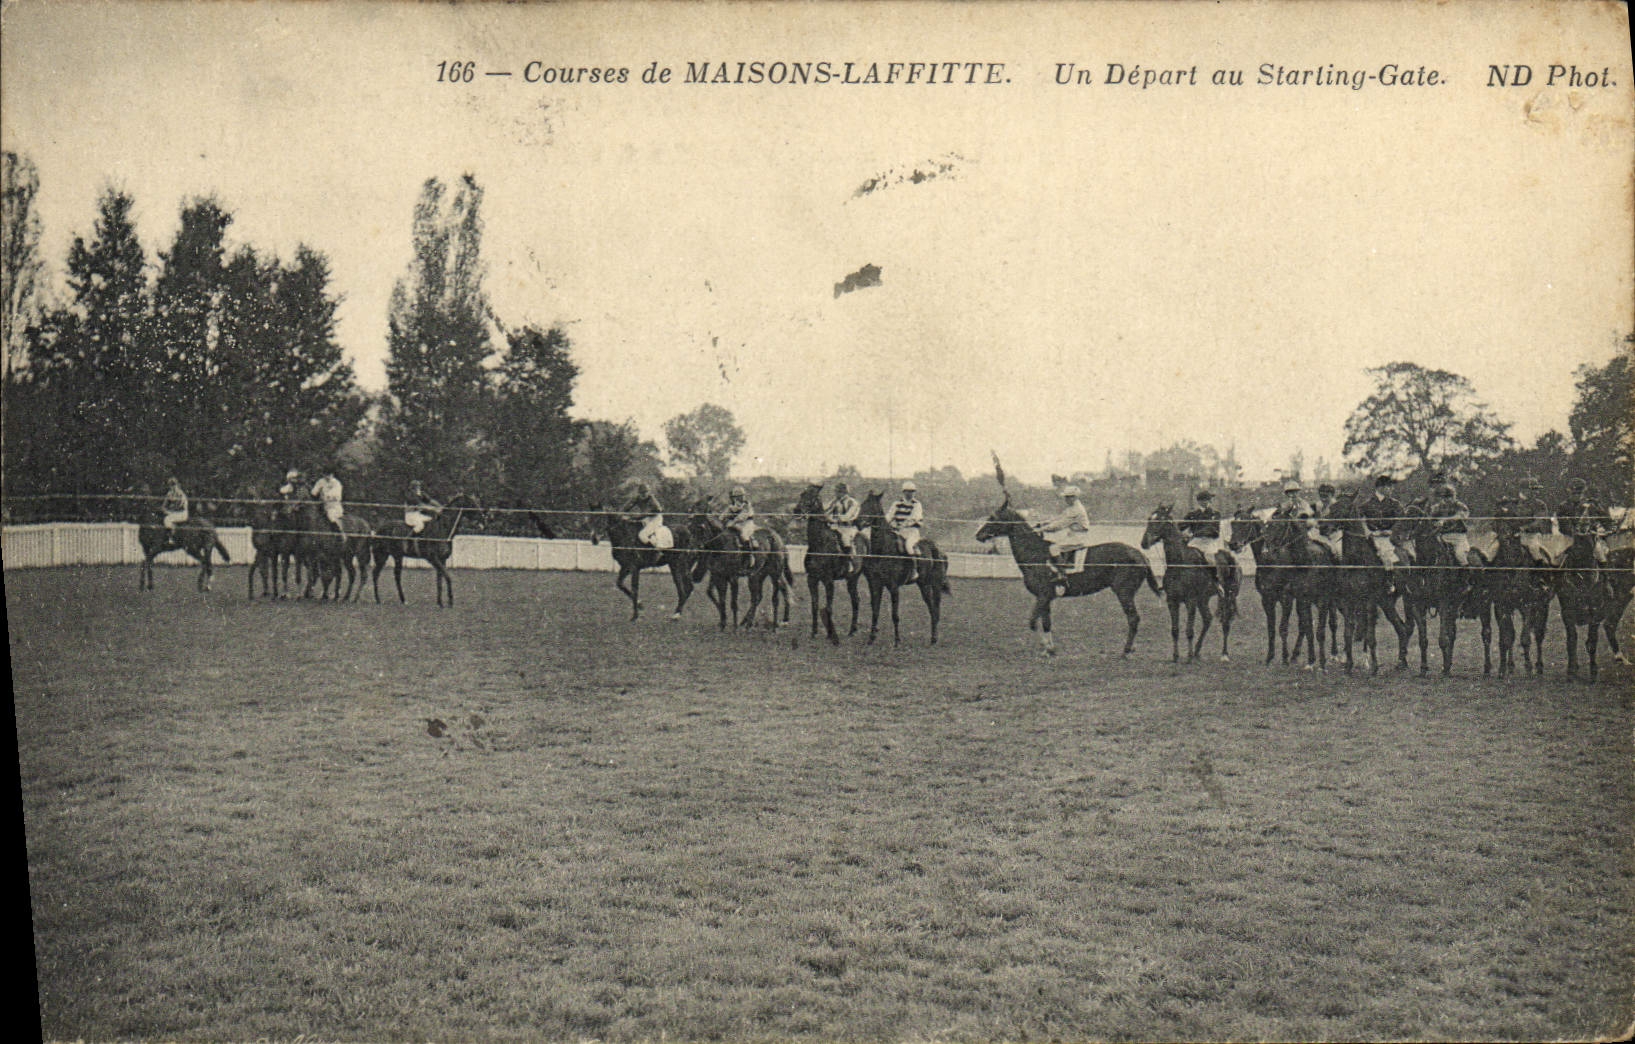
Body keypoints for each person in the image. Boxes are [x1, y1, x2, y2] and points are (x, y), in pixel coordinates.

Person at [1034, 484, 1092, 581]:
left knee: (1053, 548)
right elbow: (1059, 518)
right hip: (1073, 535)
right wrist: (1044, 523)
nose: (1065, 499)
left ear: (1073, 497)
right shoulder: (1072, 508)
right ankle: (1065, 564)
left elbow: (1059, 525)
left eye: (1067, 497)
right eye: (1066, 497)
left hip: (1078, 537)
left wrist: (1041, 529)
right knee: (1057, 544)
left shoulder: (1076, 509)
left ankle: (1062, 575)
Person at [1179, 489, 1234, 588]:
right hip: (1195, 542)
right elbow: (1181, 525)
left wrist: (1194, 534)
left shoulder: (1215, 514)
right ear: (1199, 501)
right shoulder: (1193, 514)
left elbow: (1213, 530)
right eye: (1204, 500)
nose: (1206, 502)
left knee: (1209, 557)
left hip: (1209, 541)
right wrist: (1180, 532)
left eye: (1208, 500)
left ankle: (1216, 581)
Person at [1556, 476, 1611, 568]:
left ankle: (1606, 577)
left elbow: (1605, 519)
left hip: (1590, 536)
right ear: (1569, 492)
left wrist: (1608, 529)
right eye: (1573, 493)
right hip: (1569, 537)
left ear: (1584, 492)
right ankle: (1555, 577)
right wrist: (1571, 531)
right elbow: (1562, 524)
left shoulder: (1592, 504)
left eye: (1579, 493)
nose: (1576, 495)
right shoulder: (1563, 506)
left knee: (1600, 555)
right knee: (1557, 559)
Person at [1356, 474, 1404, 569]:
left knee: (1388, 557)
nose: (1392, 489)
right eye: (1389, 486)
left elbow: (1401, 520)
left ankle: (1389, 581)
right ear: (1380, 487)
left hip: (1388, 538)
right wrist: (1368, 532)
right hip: (1371, 537)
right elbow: (1359, 519)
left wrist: (1391, 531)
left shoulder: (1395, 504)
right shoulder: (1367, 504)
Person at [1429, 480, 1472, 565]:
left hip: (1458, 537)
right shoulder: (1437, 507)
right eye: (1445, 497)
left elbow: (1461, 515)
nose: (1448, 499)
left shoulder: (1460, 506)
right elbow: (1431, 519)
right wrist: (1435, 523)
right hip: (1442, 537)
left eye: (1450, 497)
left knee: (1459, 555)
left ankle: (1467, 573)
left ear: (1454, 496)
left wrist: (1445, 520)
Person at [622, 482, 672, 549]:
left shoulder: (652, 499)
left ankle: (655, 551)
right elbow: (627, 506)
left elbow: (657, 510)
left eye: (645, 492)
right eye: (641, 493)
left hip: (655, 519)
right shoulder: (637, 498)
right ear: (638, 493)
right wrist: (622, 513)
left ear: (648, 492)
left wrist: (632, 517)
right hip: (646, 519)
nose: (643, 495)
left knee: (642, 535)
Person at [825, 480, 862, 567]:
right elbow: (826, 511)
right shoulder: (834, 501)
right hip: (835, 526)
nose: (835, 494)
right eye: (835, 491)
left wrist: (833, 519)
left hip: (848, 528)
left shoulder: (852, 502)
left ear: (843, 492)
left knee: (845, 540)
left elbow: (849, 516)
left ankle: (850, 561)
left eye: (837, 491)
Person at [718, 486, 757, 551]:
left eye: (741, 496)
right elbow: (724, 514)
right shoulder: (732, 506)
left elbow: (742, 517)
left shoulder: (746, 505)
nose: (739, 498)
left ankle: (748, 553)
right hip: (736, 523)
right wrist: (721, 518)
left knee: (744, 534)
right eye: (736, 497)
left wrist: (733, 522)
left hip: (746, 523)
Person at [311, 467, 345, 531]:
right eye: (325, 474)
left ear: (332, 475)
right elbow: (314, 492)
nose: (327, 476)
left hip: (333, 506)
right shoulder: (321, 481)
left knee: (331, 515)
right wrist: (314, 493)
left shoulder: (336, 483)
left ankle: (338, 532)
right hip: (322, 505)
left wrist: (326, 496)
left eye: (329, 474)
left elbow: (337, 496)